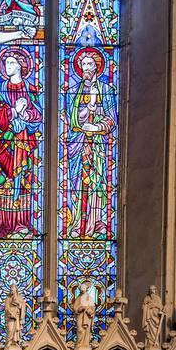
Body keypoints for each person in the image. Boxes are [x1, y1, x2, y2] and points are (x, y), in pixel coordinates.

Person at [0, 47, 42, 235]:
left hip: (24, 144)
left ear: (21, 65)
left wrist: (26, 114)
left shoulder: (31, 90)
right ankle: (4, 225)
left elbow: (39, 114)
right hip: (4, 145)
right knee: (3, 182)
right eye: (5, 63)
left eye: (11, 62)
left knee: (25, 182)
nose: (6, 66)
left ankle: (23, 223)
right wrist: (13, 112)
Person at [67, 47, 117, 239]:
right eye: (83, 64)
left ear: (97, 66)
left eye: (89, 64)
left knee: (97, 184)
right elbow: (73, 119)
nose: (85, 68)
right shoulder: (73, 92)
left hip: (98, 146)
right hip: (78, 145)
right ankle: (77, 222)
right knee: (78, 184)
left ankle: (96, 222)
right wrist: (89, 108)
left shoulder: (107, 90)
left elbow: (112, 118)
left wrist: (97, 128)